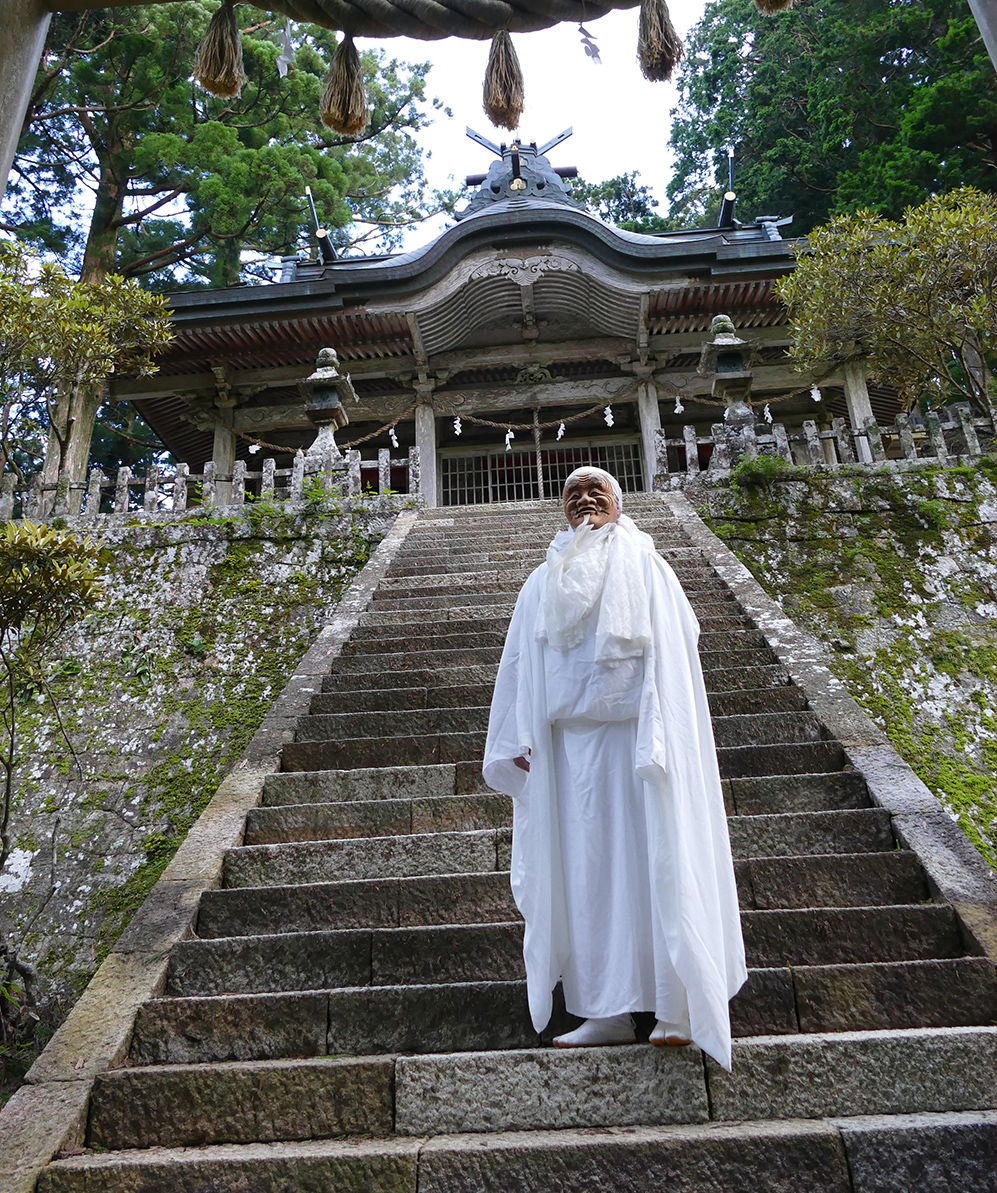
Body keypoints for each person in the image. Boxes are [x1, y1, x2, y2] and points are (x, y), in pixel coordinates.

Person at [483, 467, 746, 1070]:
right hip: (571, 754)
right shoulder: (541, 581)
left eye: (597, 491)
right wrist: (517, 735)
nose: (584, 499)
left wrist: (665, 730)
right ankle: (603, 1011)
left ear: (620, 506)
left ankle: (677, 1009)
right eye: (572, 493)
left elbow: (678, 650)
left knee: (661, 861)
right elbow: (520, 661)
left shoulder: (647, 564)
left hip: (639, 739)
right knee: (588, 876)